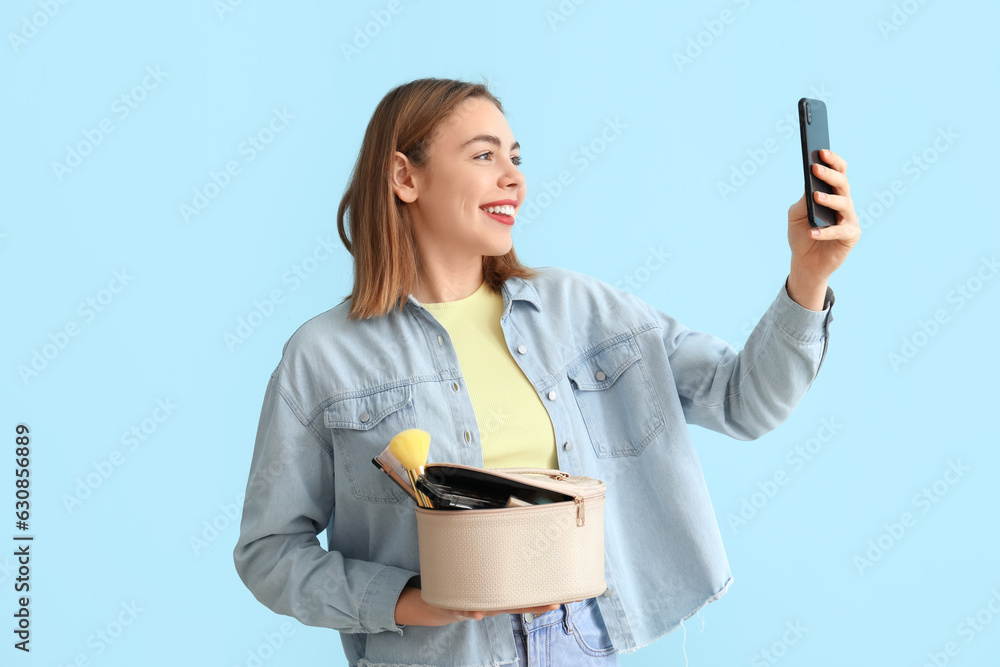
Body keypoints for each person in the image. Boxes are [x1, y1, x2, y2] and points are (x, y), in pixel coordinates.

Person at [233, 77, 859, 667]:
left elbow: (743, 401)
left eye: (516, 157)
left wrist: (810, 277)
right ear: (405, 176)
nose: (514, 180)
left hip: (579, 641)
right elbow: (269, 552)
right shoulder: (323, 355)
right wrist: (410, 599)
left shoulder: (580, 309)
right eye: (484, 157)